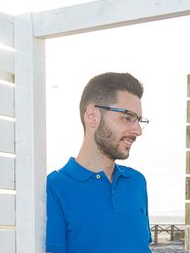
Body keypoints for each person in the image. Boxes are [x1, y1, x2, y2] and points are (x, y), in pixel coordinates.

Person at [46, 72, 152, 253]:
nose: (137, 131)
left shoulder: (136, 181)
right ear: (92, 116)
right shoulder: (54, 188)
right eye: (127, 117)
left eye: (139, 120)